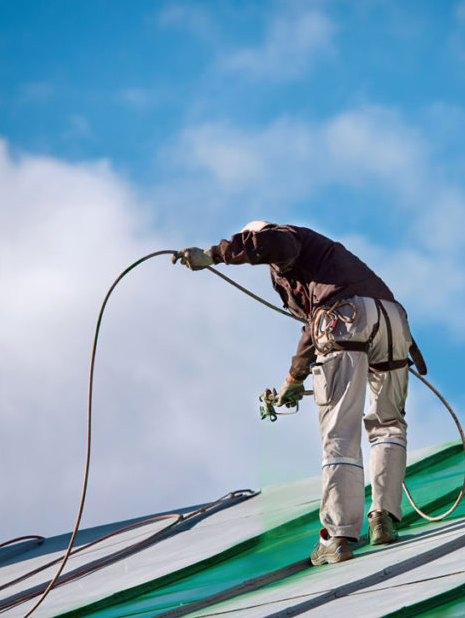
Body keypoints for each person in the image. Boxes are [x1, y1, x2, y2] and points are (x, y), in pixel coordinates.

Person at [173, 221, 425, 565]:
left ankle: (338, 536)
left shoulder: (285, 239)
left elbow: (274, 244)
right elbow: (312, 325)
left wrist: (214, 255)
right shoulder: (323, 264)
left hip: (346, 319)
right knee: (388, 424)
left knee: (340, 433)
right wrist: (294, 379)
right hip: (392, 320)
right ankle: (382, 517)